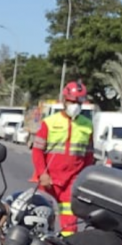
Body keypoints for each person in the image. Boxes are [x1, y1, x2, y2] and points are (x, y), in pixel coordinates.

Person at [31, 80, 94, 235]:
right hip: (49, 180)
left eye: (78, 102)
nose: (75, 105)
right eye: (72, 101)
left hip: (72, 182)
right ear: (65, 100)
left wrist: (84, 179)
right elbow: (37, 151)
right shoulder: (49, 123)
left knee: (70, 224)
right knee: (41, 218)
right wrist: (42, 173)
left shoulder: (87, 125)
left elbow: (89, 156)